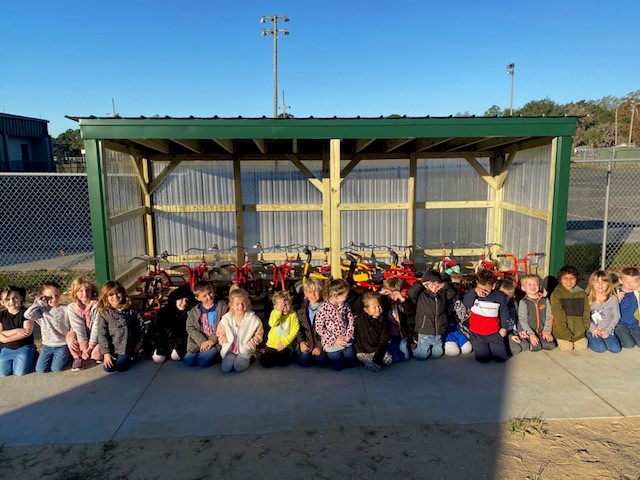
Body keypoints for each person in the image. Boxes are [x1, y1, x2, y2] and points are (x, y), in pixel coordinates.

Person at [406, 270, 455, 360]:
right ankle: (414, 348)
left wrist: (443, 285)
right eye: (431, 285)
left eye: (437, 285)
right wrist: (422, 283)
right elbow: (410, 293)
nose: (434, 288)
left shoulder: (442, 294)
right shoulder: (421, 294)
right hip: (425, 330)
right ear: (426, 285)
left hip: (439, 330)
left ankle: (426, 347)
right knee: (422, 356)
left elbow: (452, 292)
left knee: (437, 354)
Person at [97, 281, 145, 373]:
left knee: (121, 367)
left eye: (118, 293)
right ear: (106, 297)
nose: (115, 297)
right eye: (111, 295)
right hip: (113, 346)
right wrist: (106, 353)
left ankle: (131, 355)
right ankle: (116, 358)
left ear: (122, 293)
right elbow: (102, 334)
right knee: (108, 368)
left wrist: (139, 341)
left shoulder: (130, 308)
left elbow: (140, 325)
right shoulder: (104, 313)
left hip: (128, 346)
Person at [463, 270, 510, 363]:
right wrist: (474, 291)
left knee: (501, 359)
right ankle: (484, 350)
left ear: (493, 286)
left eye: (486, 290)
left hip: (494, 334)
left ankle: (497, 350)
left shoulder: (499, 297)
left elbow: (504, 313)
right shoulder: (473, 294)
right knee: (482, 359)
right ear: (477, 284)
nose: (483, 292)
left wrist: (504, 328)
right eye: (480, 288)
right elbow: (466, 303)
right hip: (477, 334)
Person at [25, 282, 72, 373]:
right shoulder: (41, 311)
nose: (53, 299)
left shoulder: (65, 309)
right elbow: (27, 315)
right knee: (41, 370)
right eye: (49, 297)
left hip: (62, 344)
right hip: (47, 345)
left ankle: (68, 356)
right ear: (43, 296)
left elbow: (72, 324)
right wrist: (37, 303)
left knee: (56, 369)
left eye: (56, 295)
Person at [217, 288, 263, 373]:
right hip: (231, 350)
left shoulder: (254, 320)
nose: (240, 307)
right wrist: (225, 343)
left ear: (248, 303)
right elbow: (220, 333)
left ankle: (250, 357)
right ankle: (233, 357)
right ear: (231, 305)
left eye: (243, 303)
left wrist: (249, 346)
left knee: (238, 367)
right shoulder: (226, 319)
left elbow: (258, 335)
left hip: (245, 350)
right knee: (226, 368)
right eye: (237, 304)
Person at [314, 279, 356, 370]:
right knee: (338, 367)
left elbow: (350, 320)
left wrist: (349, 334)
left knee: (352, 363)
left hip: (345, 340)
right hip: (332, 343)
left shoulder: (345, 305)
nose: (347, 297)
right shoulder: (323, 309)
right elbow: (319, 327)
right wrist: (335, 339)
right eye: (345, 295)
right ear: (336, 296)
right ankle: (327, 358)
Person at [184, 281, 228, 367]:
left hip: (216, 341)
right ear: (198, 298)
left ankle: (216, 354)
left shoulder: (222, 307)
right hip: (200, 341)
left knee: (203, 360)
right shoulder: (193, 312)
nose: (209, 297)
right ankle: (205, 353)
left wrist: (212, 341)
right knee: (188, 360)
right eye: (204, 296)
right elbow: (190, 328)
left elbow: (225, 325)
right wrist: (202, 341)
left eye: (210, 293)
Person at [148, 286, 196, 363]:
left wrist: (179, 346)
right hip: (163, 344)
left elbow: (188, 334)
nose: (184, 303)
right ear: (175, 300)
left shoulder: (189, 314)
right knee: (158, 358)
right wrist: (160, 347)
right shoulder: (163, 313)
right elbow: (155, 332)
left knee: (176, 356)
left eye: (186, 300)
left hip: (178, 345)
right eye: (181, 299)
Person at [550, 265, 590, 353]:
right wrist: (565, 333)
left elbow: (586, 311)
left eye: (572, 278)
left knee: (582, 347)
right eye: (565, 278)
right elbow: (558, 316)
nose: (569, 281)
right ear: (560, 279)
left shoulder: (581, 293)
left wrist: (585, 326)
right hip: (563, 331)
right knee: (566, 348)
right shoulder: (556, 294)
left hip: (579, 330)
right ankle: (560, 338)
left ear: (577, 279)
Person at [66, 277, 101, 371]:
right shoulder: (72, 308)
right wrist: (84, 347)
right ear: (75, 293)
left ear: (92, 291)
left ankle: (91, 352)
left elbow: (97, 327)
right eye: (80, 291)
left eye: (87, 290)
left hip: (95, 336)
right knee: (70, 337)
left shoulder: (97, 305)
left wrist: (90, 347)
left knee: (96, 356)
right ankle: (77, 357)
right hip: (80, 335)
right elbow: (78, 328)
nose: (84, 294)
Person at [0, 286, 35, 376]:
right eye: (7, 299)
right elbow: (0, 334)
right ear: (2, 302)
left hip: (24, 346)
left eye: (15, 298)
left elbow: (27, 332)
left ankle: (33, 356)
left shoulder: (26, 313)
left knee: (19, 372)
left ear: (21, 298)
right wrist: (17, 330)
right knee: (3, 373)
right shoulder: (1, 315)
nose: (11, 302)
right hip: (6, 348)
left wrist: (6, 336)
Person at [379, 277, 415, 362]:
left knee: (405, 358)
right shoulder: (382, 302)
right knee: (396, 360)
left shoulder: (401, 302)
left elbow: (411, 311)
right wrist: (380, 294)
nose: (392, 297)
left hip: (401, 335)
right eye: (389, 294)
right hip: (390, 336)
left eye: (394, 293)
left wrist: (402, 299)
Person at [260, 291, 300, 368]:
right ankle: (266, 353)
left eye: (286, 305)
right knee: (265, 362)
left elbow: (295, 329)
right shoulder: (274, 313)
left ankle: (279, 356)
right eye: (281, 306)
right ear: (275, 307)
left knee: (283, 361)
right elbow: (272, 323)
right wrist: (278, 311)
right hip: (272, 344)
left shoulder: (292, 314)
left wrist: (285, 342)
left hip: (285, 345)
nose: (284, 308)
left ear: (291, 304)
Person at [354, 292, 392, 372]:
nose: (377, 309)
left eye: (379, 306)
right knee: (376, 368)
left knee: (389, 360)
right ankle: (363, 361)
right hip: (363, 352)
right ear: (366, 310)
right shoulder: (362, 317)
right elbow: (358, 303)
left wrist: (378, 357)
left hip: (375, 350)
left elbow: (383, 341)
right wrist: (370, 292)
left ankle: (373, 361)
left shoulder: (383, 321)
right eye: (374, 307)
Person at [585, 270, 622, 353]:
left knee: (616, 349)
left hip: (607, 330)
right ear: (592, 283)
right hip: (592, 330)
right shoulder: (588, 299)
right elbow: (584, 316)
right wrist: (593, 329)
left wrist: (608, 330)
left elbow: (616, 316)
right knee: (601, 349)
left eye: (604, 282)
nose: (600, 285)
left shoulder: (613, 298)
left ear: (608, 283)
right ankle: (588, 338)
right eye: (597, 281)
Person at [517, 274, 556, 352]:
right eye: (529, 285)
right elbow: (522, 319)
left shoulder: (545, 300)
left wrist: (547, 331)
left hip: (542, 331)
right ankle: (524, 339)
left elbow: (549, 316)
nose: (533, 287)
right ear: (523, 288)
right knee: (535, 347)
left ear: (540, 287)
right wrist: (531, 334)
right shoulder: (523, 302)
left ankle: (540, 338)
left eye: (535, 284)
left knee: (551, 346)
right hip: (529, 331)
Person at [295, 277, 327, 367]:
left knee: (322, 363)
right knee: (305, 361)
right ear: (305, 293)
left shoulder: (326, 308)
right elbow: (299, 329)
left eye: (316, 291)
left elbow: (328, 329)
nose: (313, 295)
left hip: (321, 343)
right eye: (309, 292)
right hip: (306, 342)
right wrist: (301, 342)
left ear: (321, 291)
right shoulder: (301, 309)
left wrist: (320, 346)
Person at [498, 278, 529, 355]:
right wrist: (510, 336)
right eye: (504, 295)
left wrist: (520, 330)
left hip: (514, 330)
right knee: (516, 349)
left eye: (509, 296)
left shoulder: (513, 303)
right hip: (505, 334)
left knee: (526, 346)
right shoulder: (498, 306)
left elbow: (518, 318)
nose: (506, 298)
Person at [614, 266, 640, 349]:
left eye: (633, 282)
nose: (630, 285)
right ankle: (615, 336)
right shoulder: (615, 292)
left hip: (634, 324)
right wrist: (615, 300)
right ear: (620, 280)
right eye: (627, 282)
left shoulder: (637, 293)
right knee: (629, 345)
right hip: (620, 324)